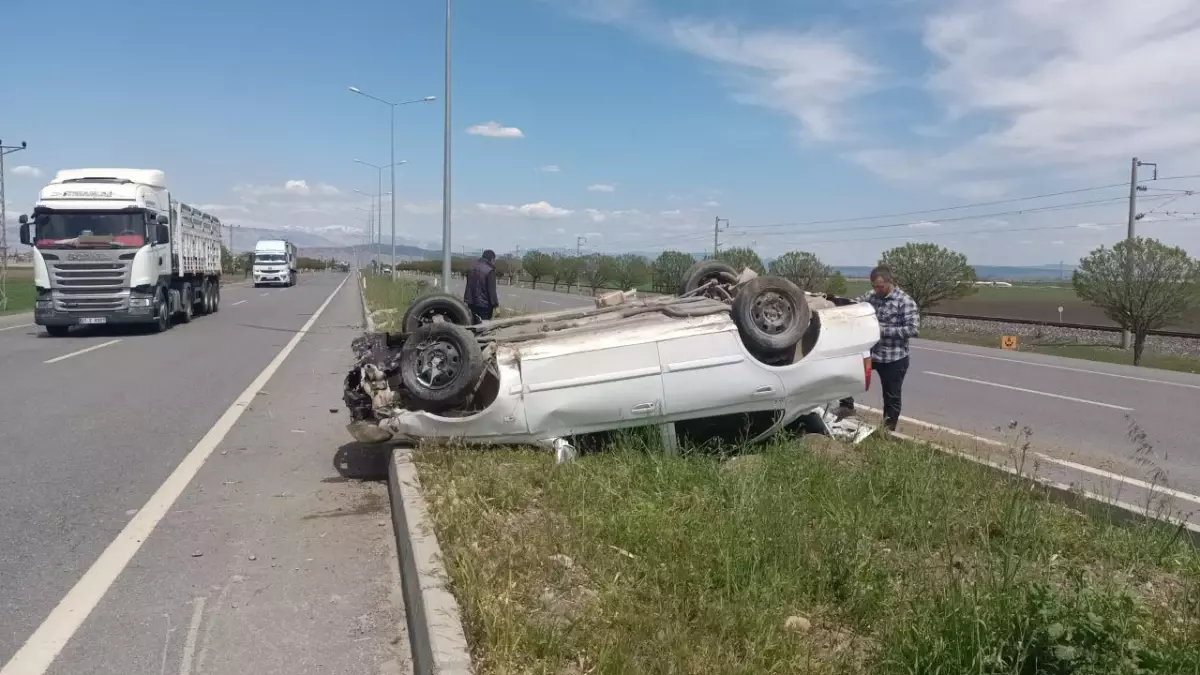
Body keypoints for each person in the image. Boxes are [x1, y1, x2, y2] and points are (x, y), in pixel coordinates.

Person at [833, 265, 919, 432]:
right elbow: (854, 306)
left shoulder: (905, 301)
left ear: (890, 282)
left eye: (880, 286)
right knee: (845, 376)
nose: (877, 290)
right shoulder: (871, 296)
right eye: (874, 286)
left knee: (891, 396)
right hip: (871, 354)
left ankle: (888, 430)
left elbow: (913, 329)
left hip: (894, 358)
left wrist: (884, 331)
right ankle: (847, 407)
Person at [463, 249, 500, 322]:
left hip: (471, 302)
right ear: (492, 259)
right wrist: (496, 305)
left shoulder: (471, 267)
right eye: (494, 260)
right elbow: (491, 291)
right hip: (484, 305)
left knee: (473, 323)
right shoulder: (490, 270)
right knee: (484, 326)